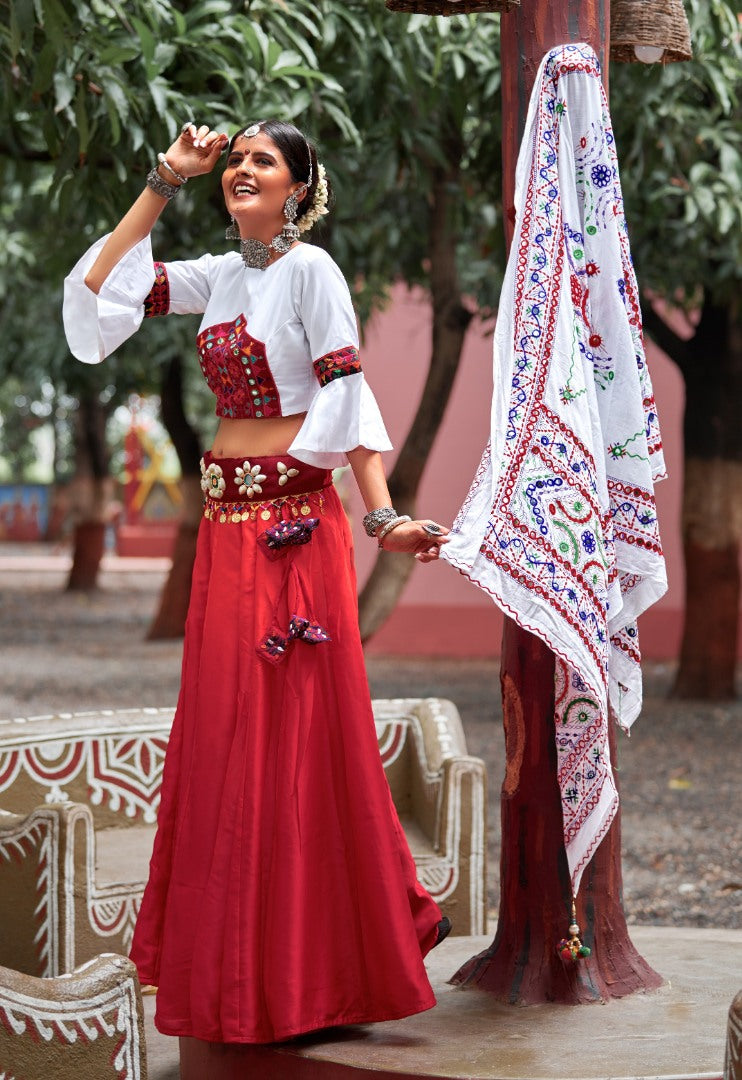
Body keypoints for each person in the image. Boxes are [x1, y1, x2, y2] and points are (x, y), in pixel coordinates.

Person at [63, 119, 451, 1045]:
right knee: (229, 732)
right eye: (233, 158)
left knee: (293, 735)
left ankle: (305, 980)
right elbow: (100, 289)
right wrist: (163, 178)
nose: (240, 168)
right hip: (227, 533)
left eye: (260, 161)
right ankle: (245, 977)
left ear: (299, 188)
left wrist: (381, 513)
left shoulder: (311, 272)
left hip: (293, 530)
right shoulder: (220, 275)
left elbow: (344, 386)